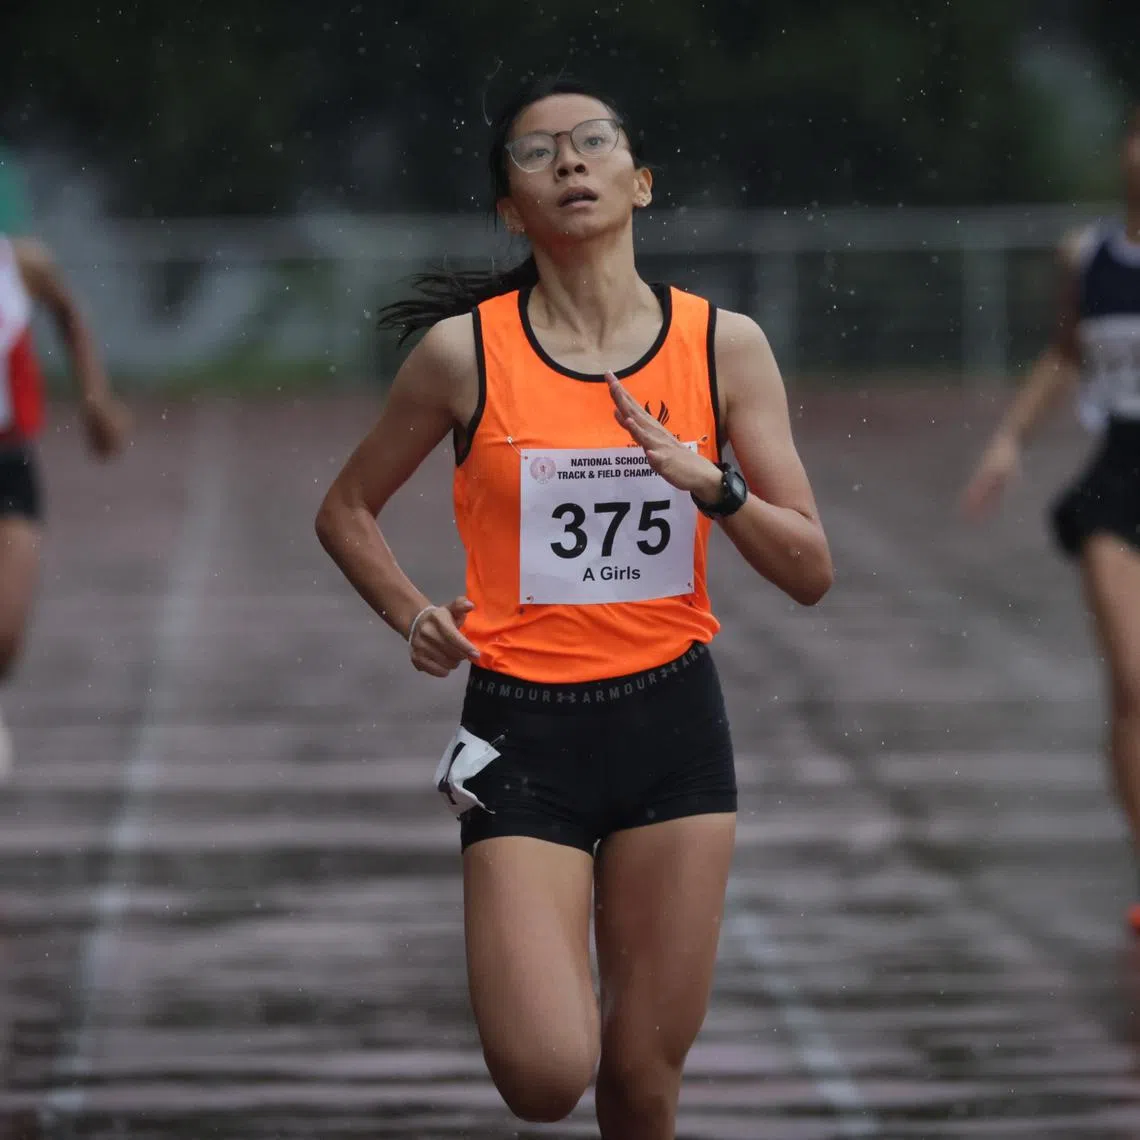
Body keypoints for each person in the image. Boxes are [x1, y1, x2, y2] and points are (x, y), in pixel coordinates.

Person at [315, 75, 833, 1139]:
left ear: (639, 183)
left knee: (642, 1086)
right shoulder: (466, 353)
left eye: (593, 142)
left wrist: (714, 484)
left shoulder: (721, 347)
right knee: (552, 1073)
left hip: (675, 731)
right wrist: (412, 612)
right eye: (535, 152)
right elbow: (346, 510)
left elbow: (810, 566)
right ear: (511, 210)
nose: (568, 161)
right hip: (524, 733)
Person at [960, 107, 1140, 933]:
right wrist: (1008, 441)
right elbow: (1064, 355)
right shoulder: (1089, 254)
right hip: (1119, 479)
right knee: (1133, 687)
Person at [0, 234, 129, 778]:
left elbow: (69, 314)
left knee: (6, 627)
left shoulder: (19, 264)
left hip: (7, 462)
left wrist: (95, 396)